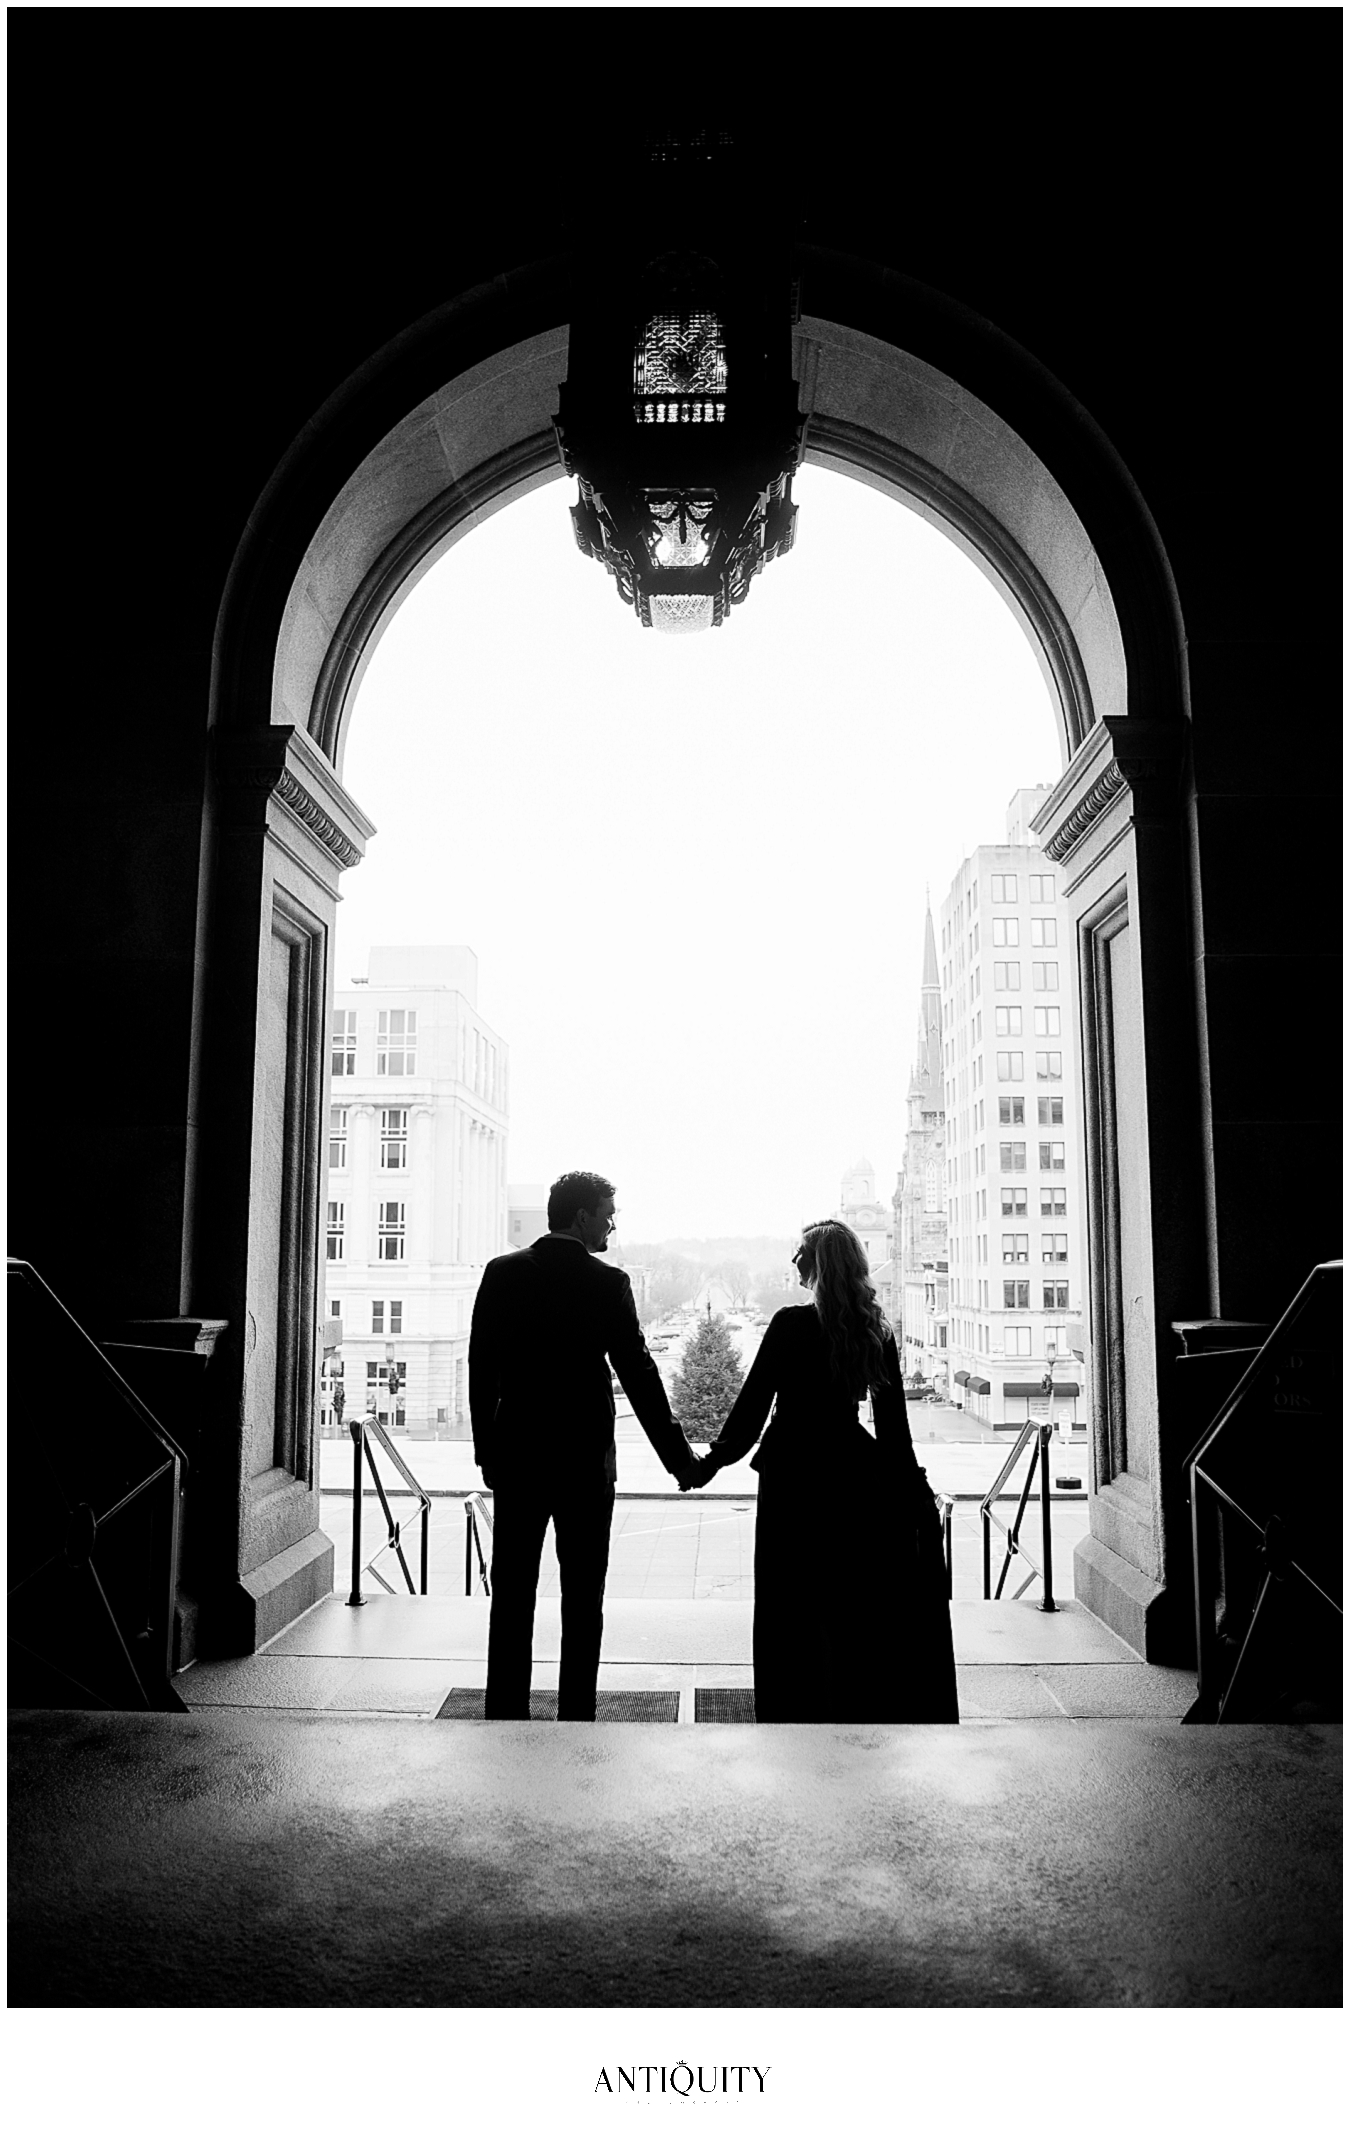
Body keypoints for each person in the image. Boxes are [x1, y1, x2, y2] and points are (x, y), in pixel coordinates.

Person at [692, 1218, 958, 1723]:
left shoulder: (789, 1325)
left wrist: (710, 1463)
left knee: (787, 1600)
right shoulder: (874, 1330)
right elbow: (894, 1432)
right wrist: (916, 1492)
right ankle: (846, 1703)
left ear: (817, 1263)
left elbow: (751, 1409)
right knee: (845, 1601)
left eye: (800, 1252)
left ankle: (791, 1706)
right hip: (852, 1472)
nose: (793, 1260)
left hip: (792, 1471)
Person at [469, 1169, 696, 1720]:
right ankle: (576, 1713)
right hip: (584, 1463)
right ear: (581, 1217)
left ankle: (505, 1712)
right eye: (607, 1212)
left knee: (514, 1595)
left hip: (520, 1457)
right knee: (583, 1598)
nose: (613, 1224)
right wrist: (680, 1460)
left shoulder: (502, 1274)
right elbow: (639, 1375)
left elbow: (482, 1368)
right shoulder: (607, 1284)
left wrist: (487, 1452)